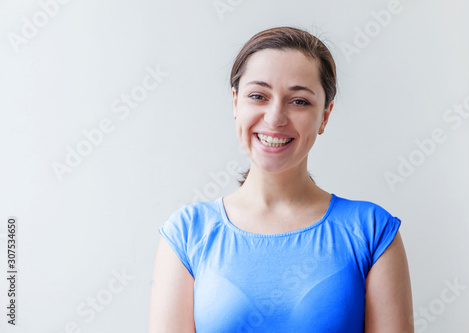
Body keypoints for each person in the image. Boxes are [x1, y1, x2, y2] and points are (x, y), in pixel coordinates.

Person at [148, 26, 413, 332]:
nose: (275, 118)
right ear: (236, 103)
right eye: (258, 96)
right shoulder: (186, 233)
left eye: (299, 101)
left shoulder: (372, 232)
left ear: (325, 116)